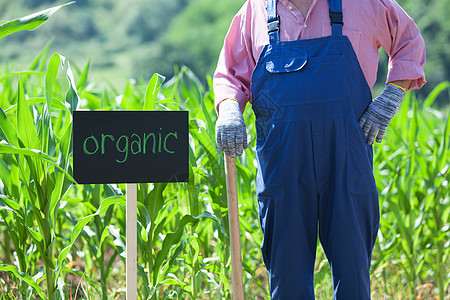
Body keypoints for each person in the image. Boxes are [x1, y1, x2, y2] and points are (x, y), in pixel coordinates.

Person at [213, 0, 425, 298]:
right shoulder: (255, 11)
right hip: (282, 168)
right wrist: (230, 110)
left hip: (346, 162)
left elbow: (409, 41)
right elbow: (229, 75)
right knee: (287, 278)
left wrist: (392, 94)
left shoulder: (365, 4)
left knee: (353, 272)